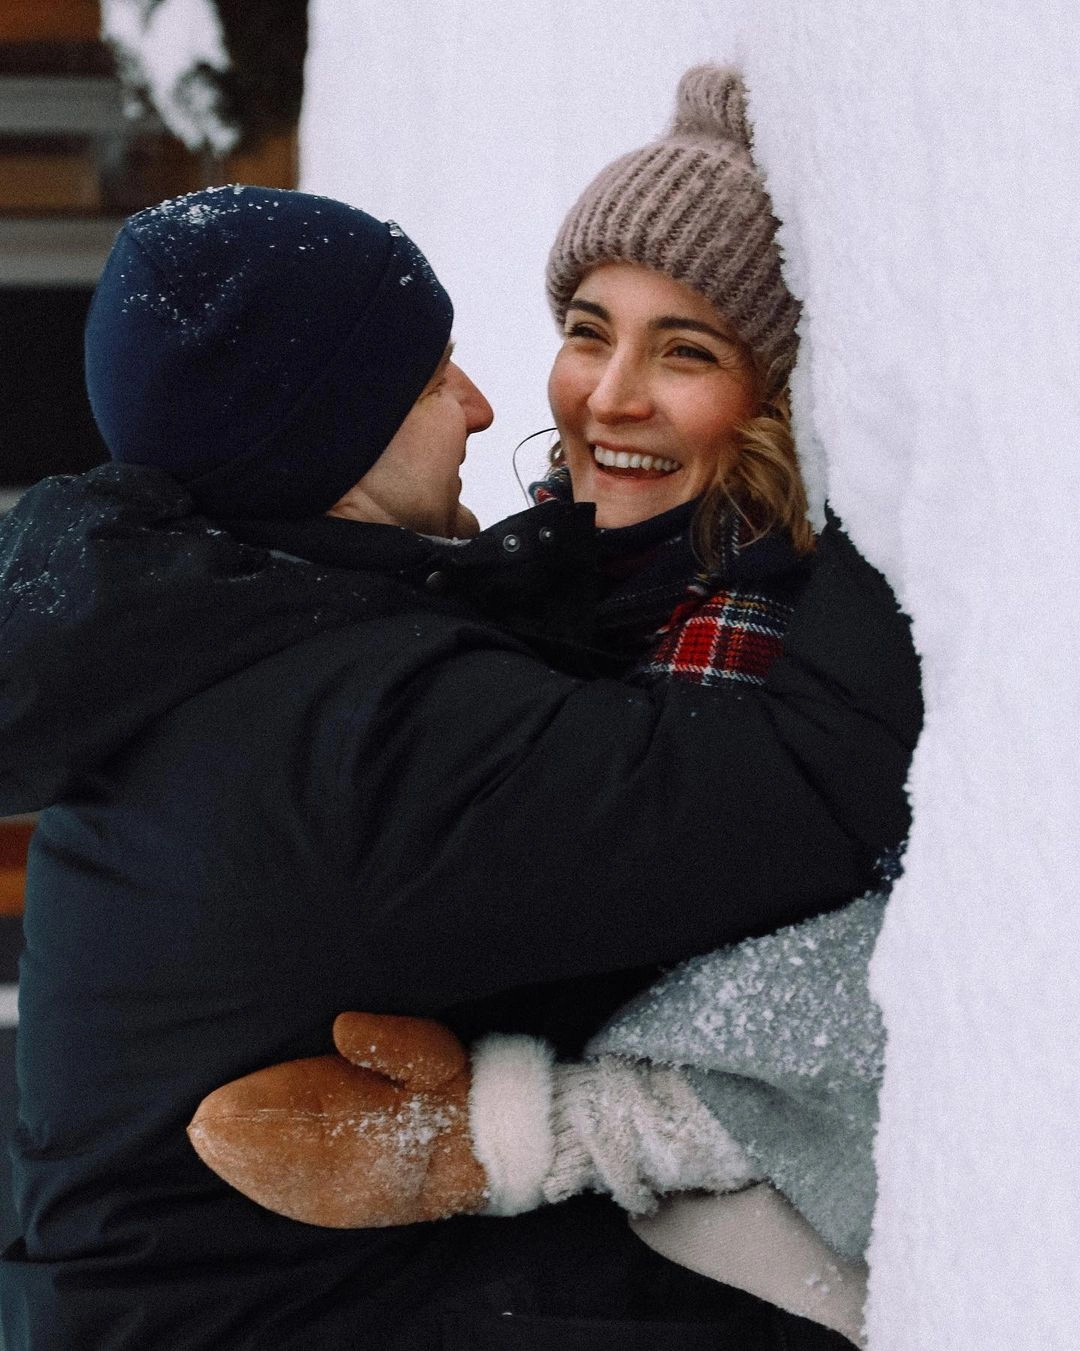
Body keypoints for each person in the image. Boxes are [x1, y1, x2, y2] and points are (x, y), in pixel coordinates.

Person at [0, 139, 914, 1351]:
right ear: (327, 440)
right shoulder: (349, 735)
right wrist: (892, 442)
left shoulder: (214, 639)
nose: (485, 403)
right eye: (430, 380)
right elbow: (805, 788)